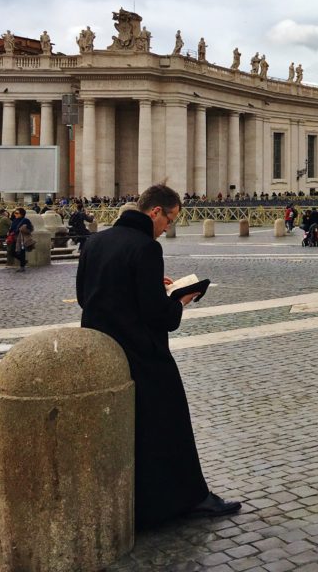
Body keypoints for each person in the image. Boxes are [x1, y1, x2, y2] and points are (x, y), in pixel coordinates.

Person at [76, 184, 241, 528]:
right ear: (155, 212)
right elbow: (158, 316)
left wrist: (153, 285)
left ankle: (135, 502)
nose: (168, 228)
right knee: (171, 423)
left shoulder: (96, 242)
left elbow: (85, 297)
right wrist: (179, 299)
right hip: (142, 355)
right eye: (169, 220)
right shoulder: (146, 248)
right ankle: (190, 498)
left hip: (101, 351)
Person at [7, 207, 34, 272]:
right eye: (14, 213)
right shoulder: (14, 220)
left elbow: (30, 229)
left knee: (22, 252)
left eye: (17, 213)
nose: (15, 214)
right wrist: (9, 232)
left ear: (21, 214)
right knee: (12, 252)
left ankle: (22, 266)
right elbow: (12, 228)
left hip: (21, 238)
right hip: (14, 238)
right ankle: (23, 261)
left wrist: (23, 229)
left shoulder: (25, 220)